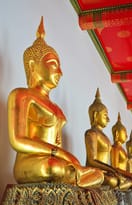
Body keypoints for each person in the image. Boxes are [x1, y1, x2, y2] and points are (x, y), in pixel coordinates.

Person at [8, 17, 104, 188]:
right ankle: (75, 180)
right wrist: (59, 153)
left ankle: (75, 181)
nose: (60, 72)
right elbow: (17, 140)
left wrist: (66, 159)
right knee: (55, 168)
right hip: (31, 163)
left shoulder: (57, 108)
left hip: (57, 161)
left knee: (98, 174)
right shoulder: (22, 95)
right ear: (32, 65)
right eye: (53, 64)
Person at [85, 89, 132, 190]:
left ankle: (118, 191)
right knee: (113, 181)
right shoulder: (91, 133)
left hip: (107, 172)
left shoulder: (105, 138)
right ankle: (117, 191)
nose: (108, 119)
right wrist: (112, 170)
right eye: (105, 115)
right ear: (96, 115)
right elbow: (91, 160)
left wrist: (114, 171)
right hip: (95, 172)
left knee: (128, 181)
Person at [111, 114, 132, 189]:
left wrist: (130, 175)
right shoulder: (115, 148)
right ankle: (116, 190)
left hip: (123, 176)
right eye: (125, 133)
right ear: (117, 134)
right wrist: (130, 175)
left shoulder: (123, 150)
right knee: (130, 182)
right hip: (118, 175)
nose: (126, 136)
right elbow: (115, 168)